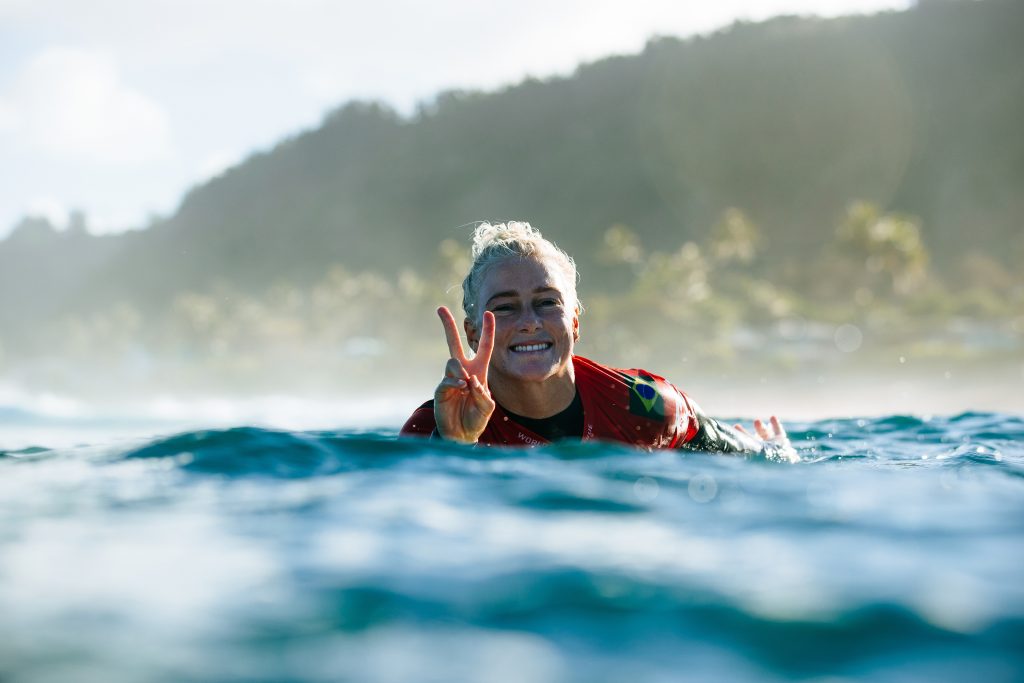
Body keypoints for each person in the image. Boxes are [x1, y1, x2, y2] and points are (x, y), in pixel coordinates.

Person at [401, 221, 796, 461]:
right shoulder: (433, 427)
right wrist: (454, 446)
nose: (529, 322)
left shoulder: (644, 405)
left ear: (573, 322)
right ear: (472, 333)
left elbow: (745, 459)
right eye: (505, 308)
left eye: (547, 303)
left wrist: (776, 453)